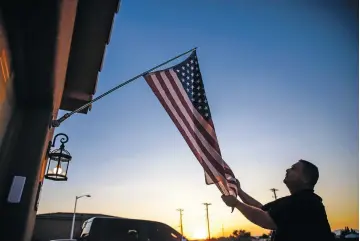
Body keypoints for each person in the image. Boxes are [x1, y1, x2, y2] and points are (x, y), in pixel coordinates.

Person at [222, 159, 334, 241]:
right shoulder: (298, 200)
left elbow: (264, 219)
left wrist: (236, 203)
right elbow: (261, 209)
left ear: (305, 179)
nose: (287, 169)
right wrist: (240, 192)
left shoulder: (306, 202)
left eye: (293, 169)